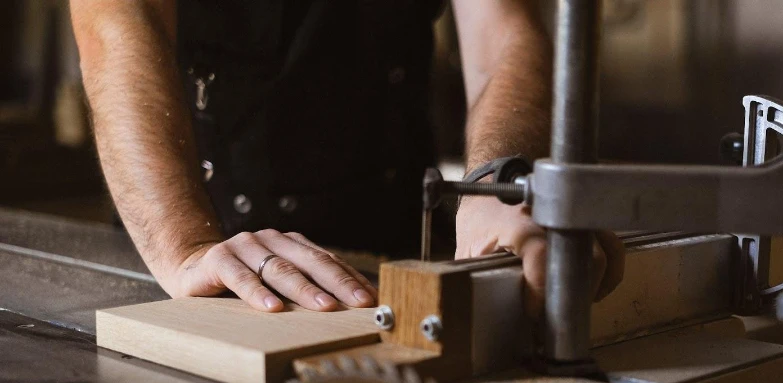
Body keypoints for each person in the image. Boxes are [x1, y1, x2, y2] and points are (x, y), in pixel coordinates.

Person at [71, 0, 623, 315]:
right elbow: (117, 22)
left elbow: (503, 32)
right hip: (195, 245)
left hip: (394, 240)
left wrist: (500, 183)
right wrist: (183, 244)